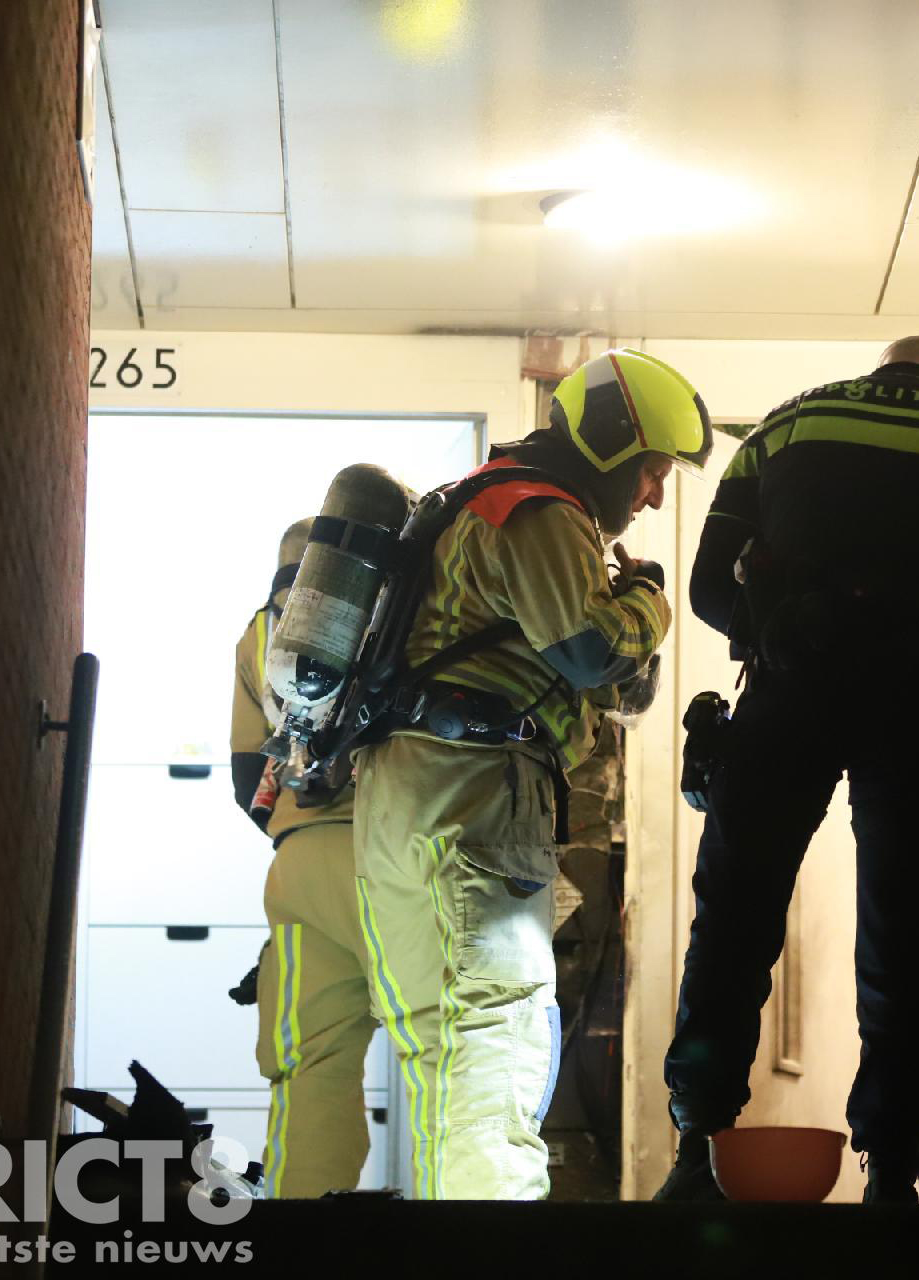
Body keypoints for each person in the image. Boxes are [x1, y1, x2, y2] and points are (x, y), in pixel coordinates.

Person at [653, 335, 919, 1203]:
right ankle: (890, 1167)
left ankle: (698, 1151)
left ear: (881, 369)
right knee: (904, 935)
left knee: (733, 921)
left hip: (788, 691)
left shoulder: (785, 426)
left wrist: (775, 635)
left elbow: (705, 589)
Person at [353, 348, 710, 1199]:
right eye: (653, 470)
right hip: (479, 793)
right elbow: (594, 653)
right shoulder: (538, 511)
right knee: (498, 1040)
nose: (654, 493)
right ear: (614, 447)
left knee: (441, 1052)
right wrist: (652, 600)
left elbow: (616, 690)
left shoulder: (472, 502)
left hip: (400, 799)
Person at [230, 515, 381, 1198]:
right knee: (457, 1046)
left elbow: (245, 782)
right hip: (394, 856)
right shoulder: (402, 612)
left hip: (296, 869)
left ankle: (303, 1248)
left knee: (311, 1066)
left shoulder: (261, 634)